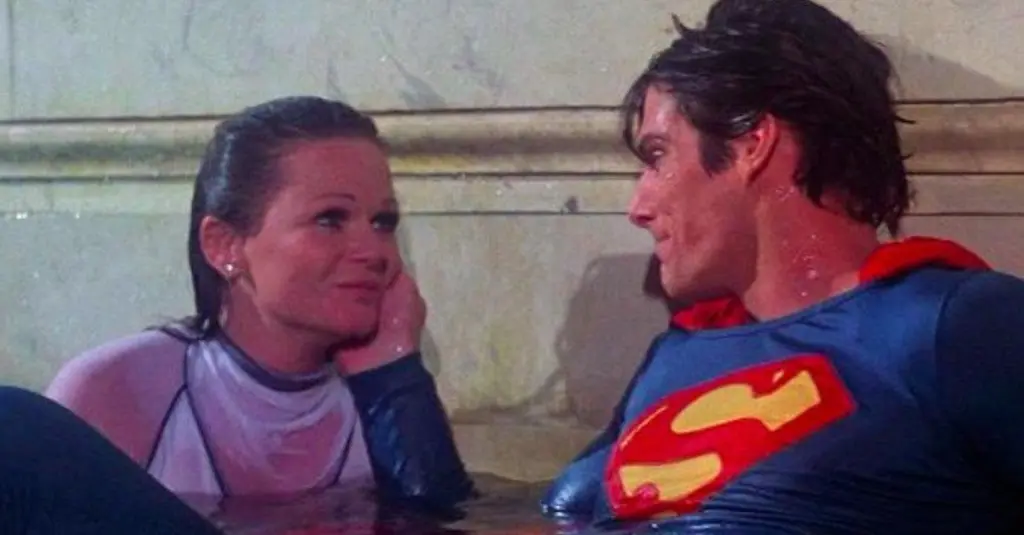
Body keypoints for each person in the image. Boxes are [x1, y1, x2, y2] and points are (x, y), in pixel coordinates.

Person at [541, 0, 1024, 533]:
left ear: (752, 142)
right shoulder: (675, 354)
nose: (638, 208)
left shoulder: (959, 328)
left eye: (658, 155)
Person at [44, 96, 474, 517]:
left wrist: (392, 377)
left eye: (383, 222)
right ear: (224, 245)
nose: (374, 252)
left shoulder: (389, 397)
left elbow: (443, 521)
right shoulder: (111, 392)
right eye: (330, 219)